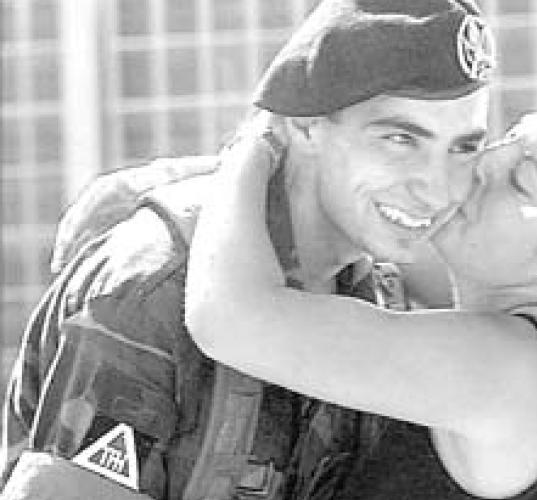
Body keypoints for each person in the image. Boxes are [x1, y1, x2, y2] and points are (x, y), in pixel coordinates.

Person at [0, 1, 495, 498]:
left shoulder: (377, 294)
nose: (437, 188)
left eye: (463, 148)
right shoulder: (158, 284)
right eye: (400, 139)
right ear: (306, 125)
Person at [184, 79, 537, 500]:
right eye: (510, 140)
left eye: (520, 181)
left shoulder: (507, 369)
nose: (485, 164)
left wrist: (262, 141)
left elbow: (232, 320)